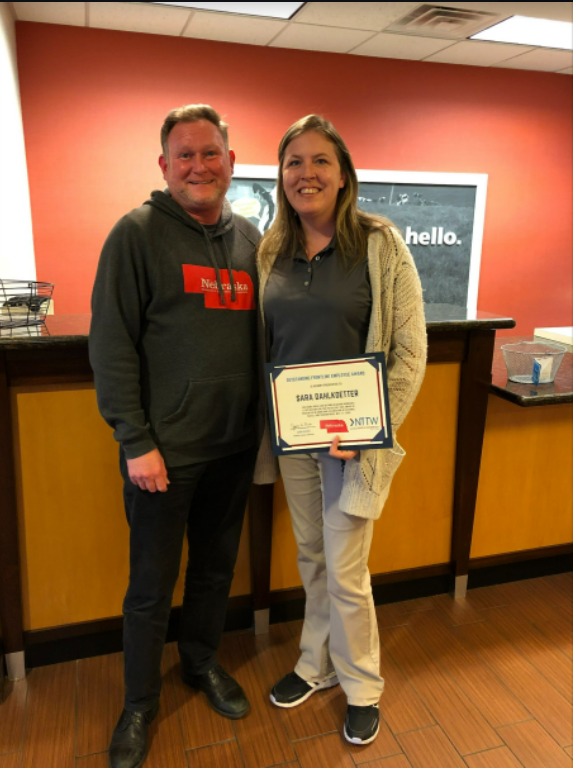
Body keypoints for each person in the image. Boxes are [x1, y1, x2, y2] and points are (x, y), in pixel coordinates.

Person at [89, 104, 260, 768]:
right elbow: (112, 348)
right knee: (151, 586)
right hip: (163, 454)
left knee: (215, 571)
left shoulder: (248, 238)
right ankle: (138, 704)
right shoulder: (134, 235)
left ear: (230, 162)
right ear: (164, 167)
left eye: (209, 152)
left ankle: (200, 663)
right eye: (184, 154)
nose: (198, 165)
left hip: (234, 445)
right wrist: (135, 440)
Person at [253, 115, 426, 746]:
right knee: (311, 558)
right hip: (293, 438)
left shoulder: (380, 244)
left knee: (348, 567)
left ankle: (363, 685)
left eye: (320, 161)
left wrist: (373, 428)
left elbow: (410, 350)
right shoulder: (271, 249)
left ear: (344, 174)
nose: (307, 174)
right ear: (281, 177)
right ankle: (314, 664)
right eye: (294, 162)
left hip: (355, 442)